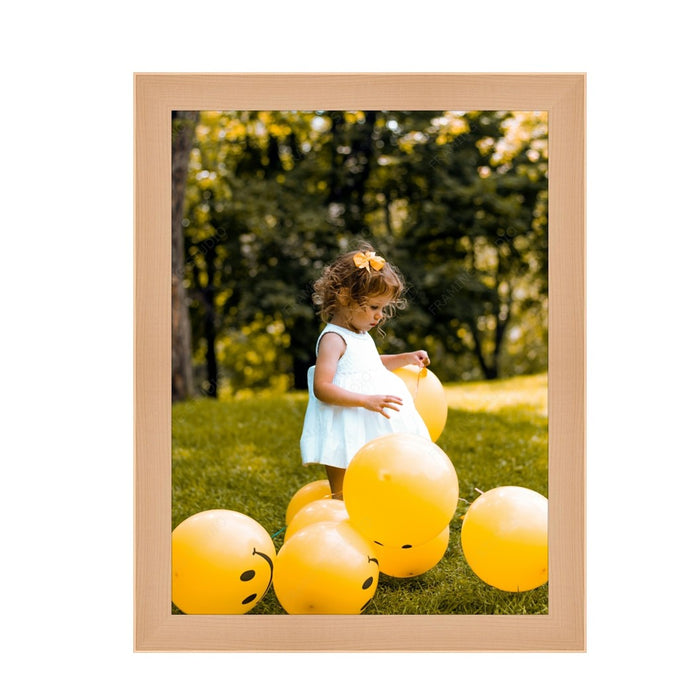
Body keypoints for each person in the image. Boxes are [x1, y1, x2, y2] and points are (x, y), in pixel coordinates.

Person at [300, 244, 431, 499]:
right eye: (374, 307)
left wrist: (406, 358)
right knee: (344, 490)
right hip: (345, 421)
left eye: (382, 308)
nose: (380, 316)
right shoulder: (333, 338)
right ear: (345, 298)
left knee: (374, 480)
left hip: (368, 420)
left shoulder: (359, 334)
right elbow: (322, 387)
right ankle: (339, 513)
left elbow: (369, 365)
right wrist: (365, 400)